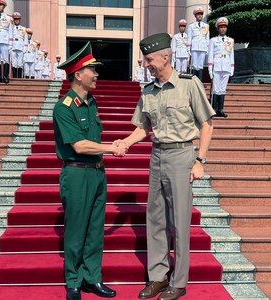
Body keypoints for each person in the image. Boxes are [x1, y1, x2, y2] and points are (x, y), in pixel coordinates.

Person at [115, 33, 215, 300]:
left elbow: (207, 124)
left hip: (182, 156)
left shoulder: (189, 84)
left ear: (165, 57)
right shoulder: (148, 91)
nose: (146, 64)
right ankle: (158, 276)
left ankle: (179, 282)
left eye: (149, 59)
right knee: (156, 219)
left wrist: (200, 160)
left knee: (180, 221)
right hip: (157, 157)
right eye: (145, 59)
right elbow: (143, 128)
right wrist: (125, 142)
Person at [53, 41, 124, 300]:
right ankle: (73, 280)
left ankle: (92, 278)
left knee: (95, 230)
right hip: (77, 173)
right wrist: (111, 148)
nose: (96, 75)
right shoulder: (64, 107)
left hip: (96, 172)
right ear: (78, 74)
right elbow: (80, 145)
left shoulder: (91, 102)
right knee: (76, 230)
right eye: (92, 70)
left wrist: (106, 150)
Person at [208, 17, 234, 118]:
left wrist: (232, 68)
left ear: (226, 28)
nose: (223, 29)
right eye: (221, 27)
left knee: (223, 89)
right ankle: (213, 110)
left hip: (226, 66)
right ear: (218, 29)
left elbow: (231, 54)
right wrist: (210, 68)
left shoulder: (230, 41)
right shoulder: (213, 40)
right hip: (217, 66)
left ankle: (220, 110)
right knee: (215, 89)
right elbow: (210, 55)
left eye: (224, 27)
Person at [187, 7, 209, 81]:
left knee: (200, 66)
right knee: (194, 65)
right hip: (194, 47)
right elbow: (189, 38)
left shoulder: (206, 26)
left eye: (201, 14)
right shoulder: (191, 26)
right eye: (198, 14)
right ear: (195, 16)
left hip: (202, 47)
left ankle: (199, 81)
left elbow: (207, 38)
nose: (200, 16)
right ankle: (193, 82)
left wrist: (207, 48)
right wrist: (188, 48)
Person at [11, 12, 27, 78]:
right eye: (15, 19)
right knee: (14, 63)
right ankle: (14, 77)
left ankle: (19, 78)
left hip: (20, 47)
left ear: (19, 20)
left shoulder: (24, 29)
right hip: (13, 47)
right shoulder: (11, 28)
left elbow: (25, 39)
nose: (16, 20)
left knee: (20, 63)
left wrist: (25, 48)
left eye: (17, 19)